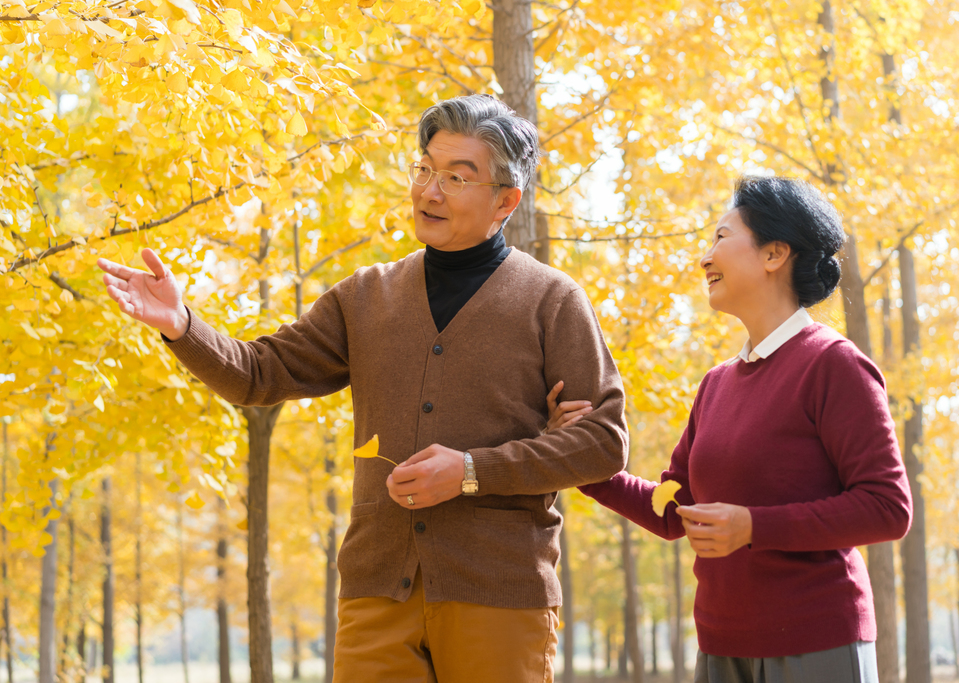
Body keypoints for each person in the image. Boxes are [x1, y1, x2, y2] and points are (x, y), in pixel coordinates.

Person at [98, 94, 629, 683]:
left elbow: (603, 443)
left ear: (506, 200)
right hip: (377, 591)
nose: (429, 190)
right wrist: (182, 325)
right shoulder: (366, 296)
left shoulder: (553, 301)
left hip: (499, 591)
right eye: (425, 168)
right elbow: (259, 373)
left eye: (456, 177)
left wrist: (472, 469)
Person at [548, 176, 912, 683]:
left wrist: (752, 527)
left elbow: (887, 508)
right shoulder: (716, 384)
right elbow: (673, 508)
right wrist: (581, 461)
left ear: (773, 254)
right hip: (721, 647)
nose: (705, 256)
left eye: (721, 236)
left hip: (819, 642)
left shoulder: (834, 364)